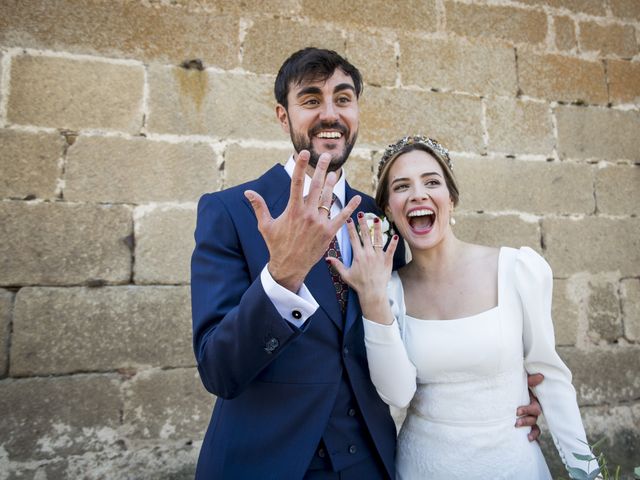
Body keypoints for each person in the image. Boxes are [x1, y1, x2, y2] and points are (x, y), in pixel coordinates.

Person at [190, 48, 543, 479]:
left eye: (342, 98)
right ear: (283, 116)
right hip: (267, 462)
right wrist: (282, 276)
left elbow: (422, 321)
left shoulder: (381, 219)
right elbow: (217, 370)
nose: (330, 113)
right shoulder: (232, 211)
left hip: (371, 464)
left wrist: (505, 387)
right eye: (311, 100)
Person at [328, 135, 600, 479]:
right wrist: (372, 298)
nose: (418, 194)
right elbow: (397, 394)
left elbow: (552, 380)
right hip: (424, 468)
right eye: (401, 186)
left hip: (515, 466)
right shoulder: (389, 293)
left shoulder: (516, 271)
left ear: (451, 199)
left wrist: (587, 473)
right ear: (388, 211)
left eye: (431, 182)